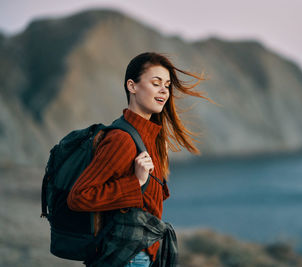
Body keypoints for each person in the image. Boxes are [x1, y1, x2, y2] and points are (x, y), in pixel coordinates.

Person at [67, 52, 215, 267]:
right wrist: (135, 182)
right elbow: (79, 197)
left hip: (143, 253)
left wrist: (155, 172)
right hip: (128, 256)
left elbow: (149, 202)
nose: (164, 90)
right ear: (132, 86)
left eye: (167, 85)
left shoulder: (149, 137)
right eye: (156, 83)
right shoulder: (121, 139)